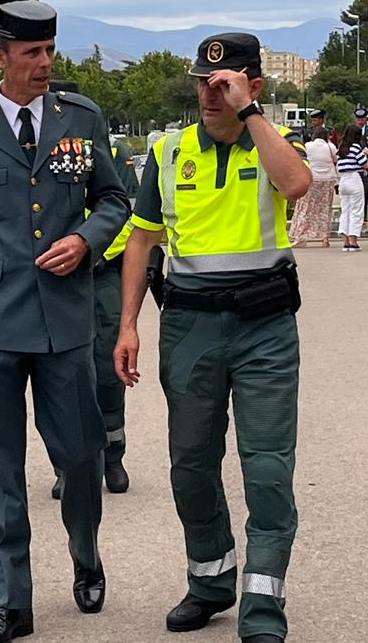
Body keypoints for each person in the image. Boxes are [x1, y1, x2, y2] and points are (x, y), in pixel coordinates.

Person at [0, 0, 129, 643]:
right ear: (1, 55)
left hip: (65, 322)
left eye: (49, 50)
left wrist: (87, 240)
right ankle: (12, 601)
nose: (45, 63)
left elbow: (114, 198)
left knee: (79, 458)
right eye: (31, 52)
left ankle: (85, 551)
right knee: (0, 463)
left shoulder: (81, 118)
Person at [114, 33, 310, 643]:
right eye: (203, 81)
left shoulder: (272, 144)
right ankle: (210, 581)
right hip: (191, 325)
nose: (209, 91)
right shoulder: (169, 153)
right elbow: (142, 240)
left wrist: (251, 115)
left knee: (268, 471)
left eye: (223, 81)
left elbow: (298, 185)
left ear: (251, 84)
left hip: (265, 327)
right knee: (191, 465)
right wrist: (128, 325)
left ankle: (262, 608)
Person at [48, 77, 137, 500]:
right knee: (59, 377)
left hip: (101, 274)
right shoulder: (30, 145)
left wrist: (93, 249)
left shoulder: (112, 151)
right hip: (53, 276)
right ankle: (67, 465)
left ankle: (113, 454)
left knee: (107, 372)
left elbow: (126, 211)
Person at [289, 126, 337, 248]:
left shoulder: (308, 146)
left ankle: (301, 236)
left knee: (305, 207)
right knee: (325, 208)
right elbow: (335, 159)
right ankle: (324, 238)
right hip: (327, 180)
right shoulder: (330, 147)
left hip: (312, 178)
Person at [336, 124, 368, 251]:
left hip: (343, 180)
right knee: (356, 210)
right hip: (354, 179)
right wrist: (365, 153)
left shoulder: (341, 148)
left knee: (345, 211)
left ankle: (345, 241)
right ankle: (353, 240)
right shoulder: (356, 147)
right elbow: (365, 164)